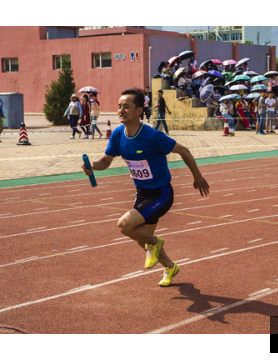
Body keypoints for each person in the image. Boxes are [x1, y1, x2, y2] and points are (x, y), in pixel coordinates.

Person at [81, 88, 209, 287]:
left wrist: (198, 176)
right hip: (142, 194)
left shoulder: (152, 136)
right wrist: (92, 167)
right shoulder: (117, 134)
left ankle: (157, 244)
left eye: (126, 107)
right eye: (119, 106)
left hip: (161, 194)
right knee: (143, 240)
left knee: (125, 225)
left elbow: (183, 150)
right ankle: (170, 267)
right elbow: (106, 161)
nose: (121, 111)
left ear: (139, 110)